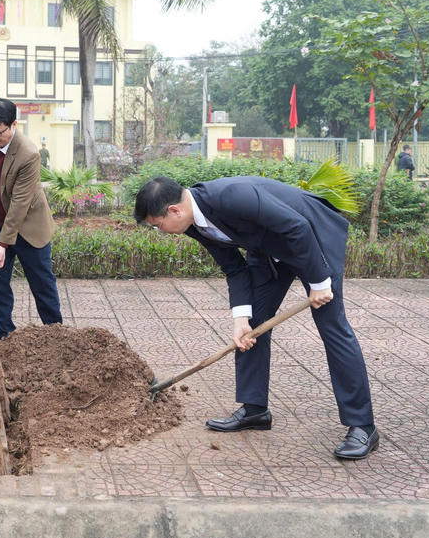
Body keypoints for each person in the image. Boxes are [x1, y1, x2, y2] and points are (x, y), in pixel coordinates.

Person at [134, 175, 379, 460]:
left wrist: (319, 282)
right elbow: (234, 269)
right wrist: (240, 318)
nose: (160, 230)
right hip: (268, 250)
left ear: (174, 210)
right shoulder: (192, 223)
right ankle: (255, 409)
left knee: (332, 327)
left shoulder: (231, 196)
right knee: (254, 325)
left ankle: (363, 425)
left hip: (311, 239)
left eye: (157, 225)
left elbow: (297, 227)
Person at [0, 98, 62, 339]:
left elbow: (20, 205)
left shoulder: (29, 154)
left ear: (13, 125)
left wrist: (3, 244)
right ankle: (4, 335)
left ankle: (57, 335)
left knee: (42, 284)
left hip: (30, 228)